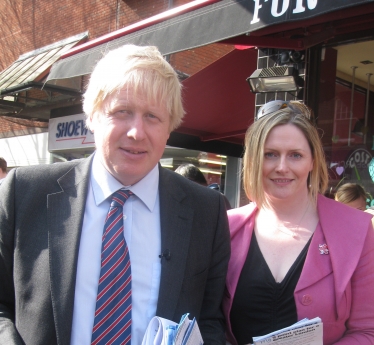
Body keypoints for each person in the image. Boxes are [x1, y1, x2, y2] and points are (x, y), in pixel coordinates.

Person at [0, 45, 230, 345]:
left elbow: (210, 320)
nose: (137, 132)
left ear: (170, 128)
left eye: (152, 117)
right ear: (92, 115)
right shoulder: (24, 192)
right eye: (122, 112)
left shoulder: (206, 211)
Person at [222, 100, 374, 345]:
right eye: (270, 154)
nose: (282, 167)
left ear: (313, 161)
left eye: (295, 155)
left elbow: (369, 330)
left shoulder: (356, 229)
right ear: (253, 161)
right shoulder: (225, 229)